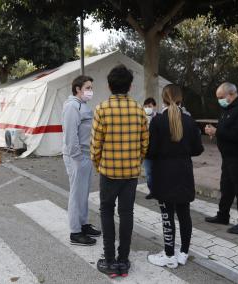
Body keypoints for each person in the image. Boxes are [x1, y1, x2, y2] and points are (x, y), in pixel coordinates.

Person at [91, 64, 149, 277]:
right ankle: (123, 261)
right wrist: (136, 161)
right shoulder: (138, 109)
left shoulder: (101, 109)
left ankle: (109, 260)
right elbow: (145, 142)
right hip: (131, 173)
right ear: (130, 86)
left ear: (109, 86)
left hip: (109, 172)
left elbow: (96, 144)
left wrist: (99, 165)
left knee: (106, 211)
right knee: (127, 214)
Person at [146, 84, 204, 269]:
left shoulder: (157, 121)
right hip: (184, 173)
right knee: (184, 214)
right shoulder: (189, 121)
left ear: (163, 99)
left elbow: (151, 151)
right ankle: (183, 253)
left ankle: (169, 254)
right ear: (181, 99)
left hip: (163, 174)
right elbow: (198, 149)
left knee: (167, 215)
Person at [204, 82, 238, 234]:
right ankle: (223, 216)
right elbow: (225, 129)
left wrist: (217, 132)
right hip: (228, 156)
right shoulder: (227, 108)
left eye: (221, 97)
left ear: (232, 94)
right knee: (226, 186)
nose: (219, 100)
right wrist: (213, 131)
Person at [62, 75, 101, 246]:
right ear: (78, 89)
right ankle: (75, 232)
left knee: (83, 193)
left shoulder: (82, 105)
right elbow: (71, 135)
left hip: (86, 155)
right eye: (88, 87)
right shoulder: (72, 106)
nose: (90, 91)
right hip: (77, 156)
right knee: (76, 194)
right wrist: (77, 157)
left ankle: (83, 224)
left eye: (91, 88)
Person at [143, 97, 157, 200]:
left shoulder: (159, 117)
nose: (148, 108)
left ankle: (159, 191)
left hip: (157, 151)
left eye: (150, 106)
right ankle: (152, 191)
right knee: (148, 173)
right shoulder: (141, 118)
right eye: (146, 106)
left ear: (154, 107)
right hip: (146, 151)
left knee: (158, 172)